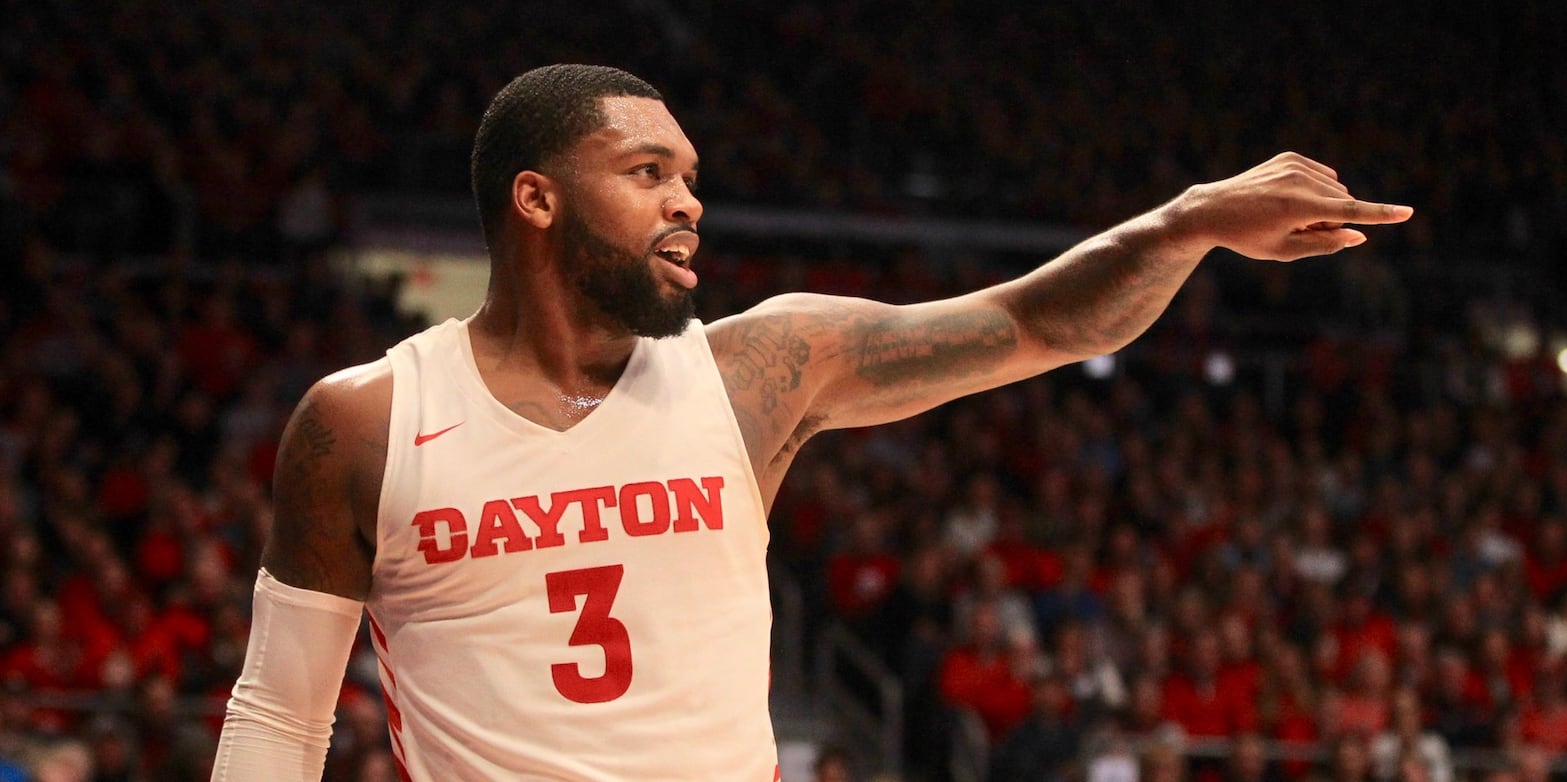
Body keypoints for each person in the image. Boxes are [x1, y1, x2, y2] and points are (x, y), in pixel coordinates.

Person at [209, 63, 1412, 781]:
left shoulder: (757, 371)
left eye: (689, 174)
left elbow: (1038, 324)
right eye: (645, 172)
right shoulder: (367, 420)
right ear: (535, 198)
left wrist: (1179, 226)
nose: (687, 200)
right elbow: (279, 711)